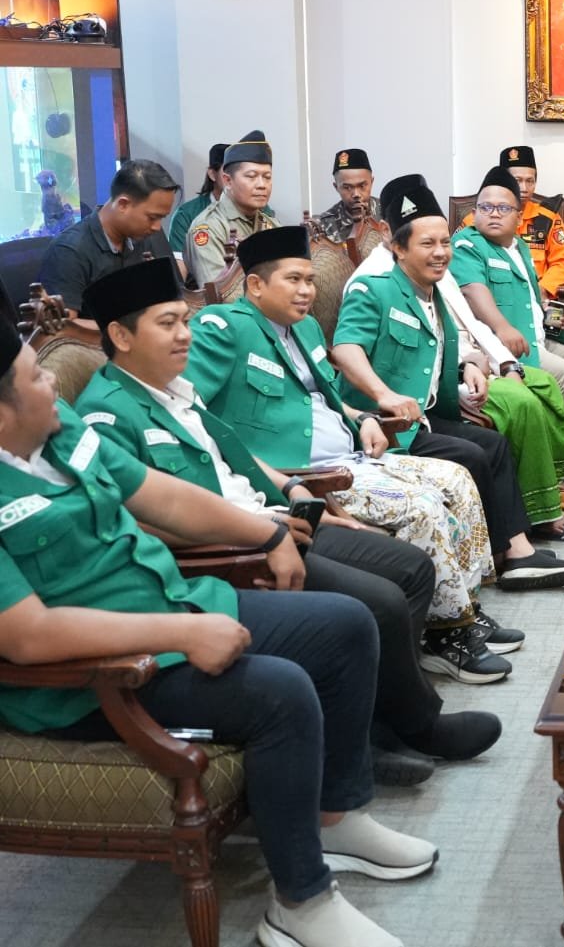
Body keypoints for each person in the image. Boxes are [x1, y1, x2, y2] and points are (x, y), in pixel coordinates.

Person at [0, 327, 434, 947]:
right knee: (280, 692)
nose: (53, 380)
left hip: (170, 601)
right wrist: (182, 631)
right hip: (92, 673)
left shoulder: (57, 428)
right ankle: (302, 904)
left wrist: (269, 534)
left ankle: (335, 816)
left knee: (345, 626)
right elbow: (27, 635)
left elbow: (161, 497)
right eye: (37, 377)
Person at [75, 258, 505, 773]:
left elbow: (235, 455)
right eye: (168, 324)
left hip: (273, 517)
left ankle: (387, 720)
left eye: (185, 320)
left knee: (411, 567)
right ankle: (395, 734)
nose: (185, 335)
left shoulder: (173, 391)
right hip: (233, 549)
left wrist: (294, 489)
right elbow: (135, 518)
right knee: (381, 601)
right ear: (121, 336)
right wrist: (266, 530)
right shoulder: (106, 414)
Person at [182, 225, 561, 680]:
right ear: (256, 285)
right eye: (293, 280)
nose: (306, 291)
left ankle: (460, 614)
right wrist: (269, 475)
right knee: (421, 507)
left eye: (310, 280)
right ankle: (445, 637)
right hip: (303, 471)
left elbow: (324, 397)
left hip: (354, 453)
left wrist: (361, 417)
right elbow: (191, 412)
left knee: (457, 479)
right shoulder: (223, 328)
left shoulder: (303, 328)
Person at [332, 176, 564, 585]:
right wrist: (384, 396)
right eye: (427, 244)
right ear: (398, 247)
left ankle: (517, 551)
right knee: (473, 453)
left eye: (444, 242)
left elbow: (433, 349)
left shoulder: (430, 289)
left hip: (427, 413)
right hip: (387, 425)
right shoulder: (373, 289)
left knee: (493, 444)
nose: (441, 253)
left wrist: (467, 364)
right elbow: (346, 349)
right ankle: (498, 561)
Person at [449, 167, 564, 542]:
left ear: (518, 216)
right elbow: (475, 293)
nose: (492, 214)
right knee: (561, 374)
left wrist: (550, 311)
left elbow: (532, 293)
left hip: (534, 336)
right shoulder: (467, 245)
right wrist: (503, 329)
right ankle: (561, 469)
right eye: (484, 207)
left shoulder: (519, 246)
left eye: (502, 208)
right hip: (498, 345)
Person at [36, 159, 180, 315]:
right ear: (123, 205)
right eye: (152, 217)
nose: (157, 227)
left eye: (161, 218)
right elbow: (65, 326)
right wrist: (133, 327)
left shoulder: (143, 238)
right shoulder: (69, 251)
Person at [462, 145, 564, 299]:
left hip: (537, 297)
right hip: (490, 298)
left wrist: (542, 290)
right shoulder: (476, 220)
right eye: (517, 181)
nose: (524, 188)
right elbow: (463, 264)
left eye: (530, 181)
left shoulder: (548, 218)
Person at [183, 129, 277, 286]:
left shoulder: (271, 224)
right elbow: (221, 292)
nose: (262, 185)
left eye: (267, 177)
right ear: (227, 181)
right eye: (251, 176)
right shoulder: (209, 227)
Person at [165, 142, 227, 258]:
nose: (234, 177)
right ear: (212, 174)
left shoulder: (259, 211)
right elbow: (178, 264)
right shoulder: (186, 214)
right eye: (228, 170)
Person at [314, 147, 386, 245]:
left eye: (362, 186)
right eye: (347, 187)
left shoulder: (388, 212)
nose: (356, 194)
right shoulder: (323, 225)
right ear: (336, 187)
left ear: (371, 182)